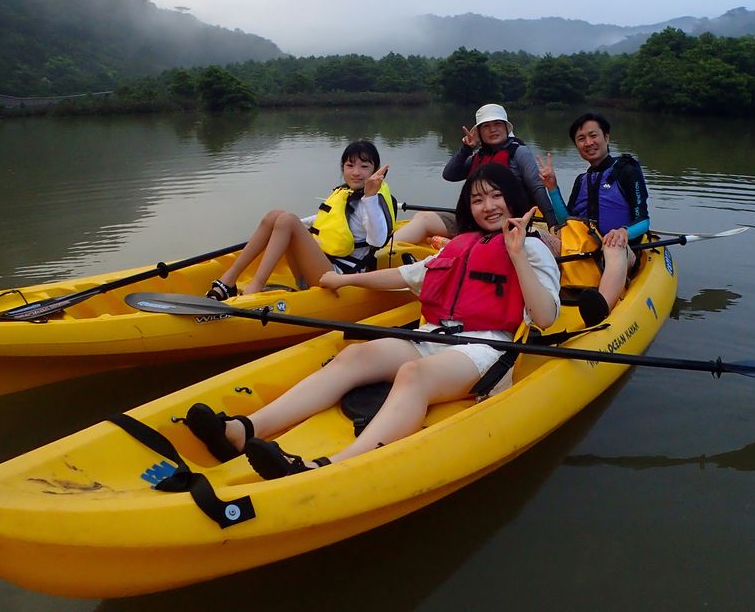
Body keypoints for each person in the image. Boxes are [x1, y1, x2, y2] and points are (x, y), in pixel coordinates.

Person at [185, 163, 560, 479]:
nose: (488, 206)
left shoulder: (530, 248)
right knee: (355, 357)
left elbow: (544, 316)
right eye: (478, 199)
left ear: (513, 199)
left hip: (485, 349)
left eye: (496, 196)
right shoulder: (462, 246)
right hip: (432, 337)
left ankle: (332, 465)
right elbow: (404, 278)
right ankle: (243, 430)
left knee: (414, 375)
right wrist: (343, 279)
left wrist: (518, 256)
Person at [205, 140, 396, 300]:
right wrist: (282, 224)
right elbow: (321, 221)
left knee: (287, 220)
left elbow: (378, 240)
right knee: (276, 215)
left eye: (364, 166)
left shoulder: (372, 202)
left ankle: (254, 289)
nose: (356, 172)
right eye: (349, 165)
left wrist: (370, 197)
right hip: (317, 268)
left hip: (340, 279)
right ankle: (227, 282)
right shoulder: (344, 194)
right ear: (342, 168)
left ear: (376, 171)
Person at [392, 103, 557, 245]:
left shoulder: (519, 153)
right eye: (486, 126)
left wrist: (552, 223)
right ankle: (377, 253)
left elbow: (536, 187)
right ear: (479, 132)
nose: (493, 129)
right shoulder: (479, 156)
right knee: (423, 218)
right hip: (475, 221)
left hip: (508, 224)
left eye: (498, 124)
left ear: (506, 127)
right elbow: (449, 174)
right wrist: (466, 148)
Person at [538, 112, 650, 315]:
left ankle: (601, 308)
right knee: (535, 239)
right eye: (581, 139)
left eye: (593, 135)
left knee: (613, 244)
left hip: (621, 250)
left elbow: (644, 221)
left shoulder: (627, 170)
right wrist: (552, 187)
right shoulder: (582, 180)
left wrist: (624, 232)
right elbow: (568, 222)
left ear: (606, 137)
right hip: (584, 248)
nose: (588, 142)